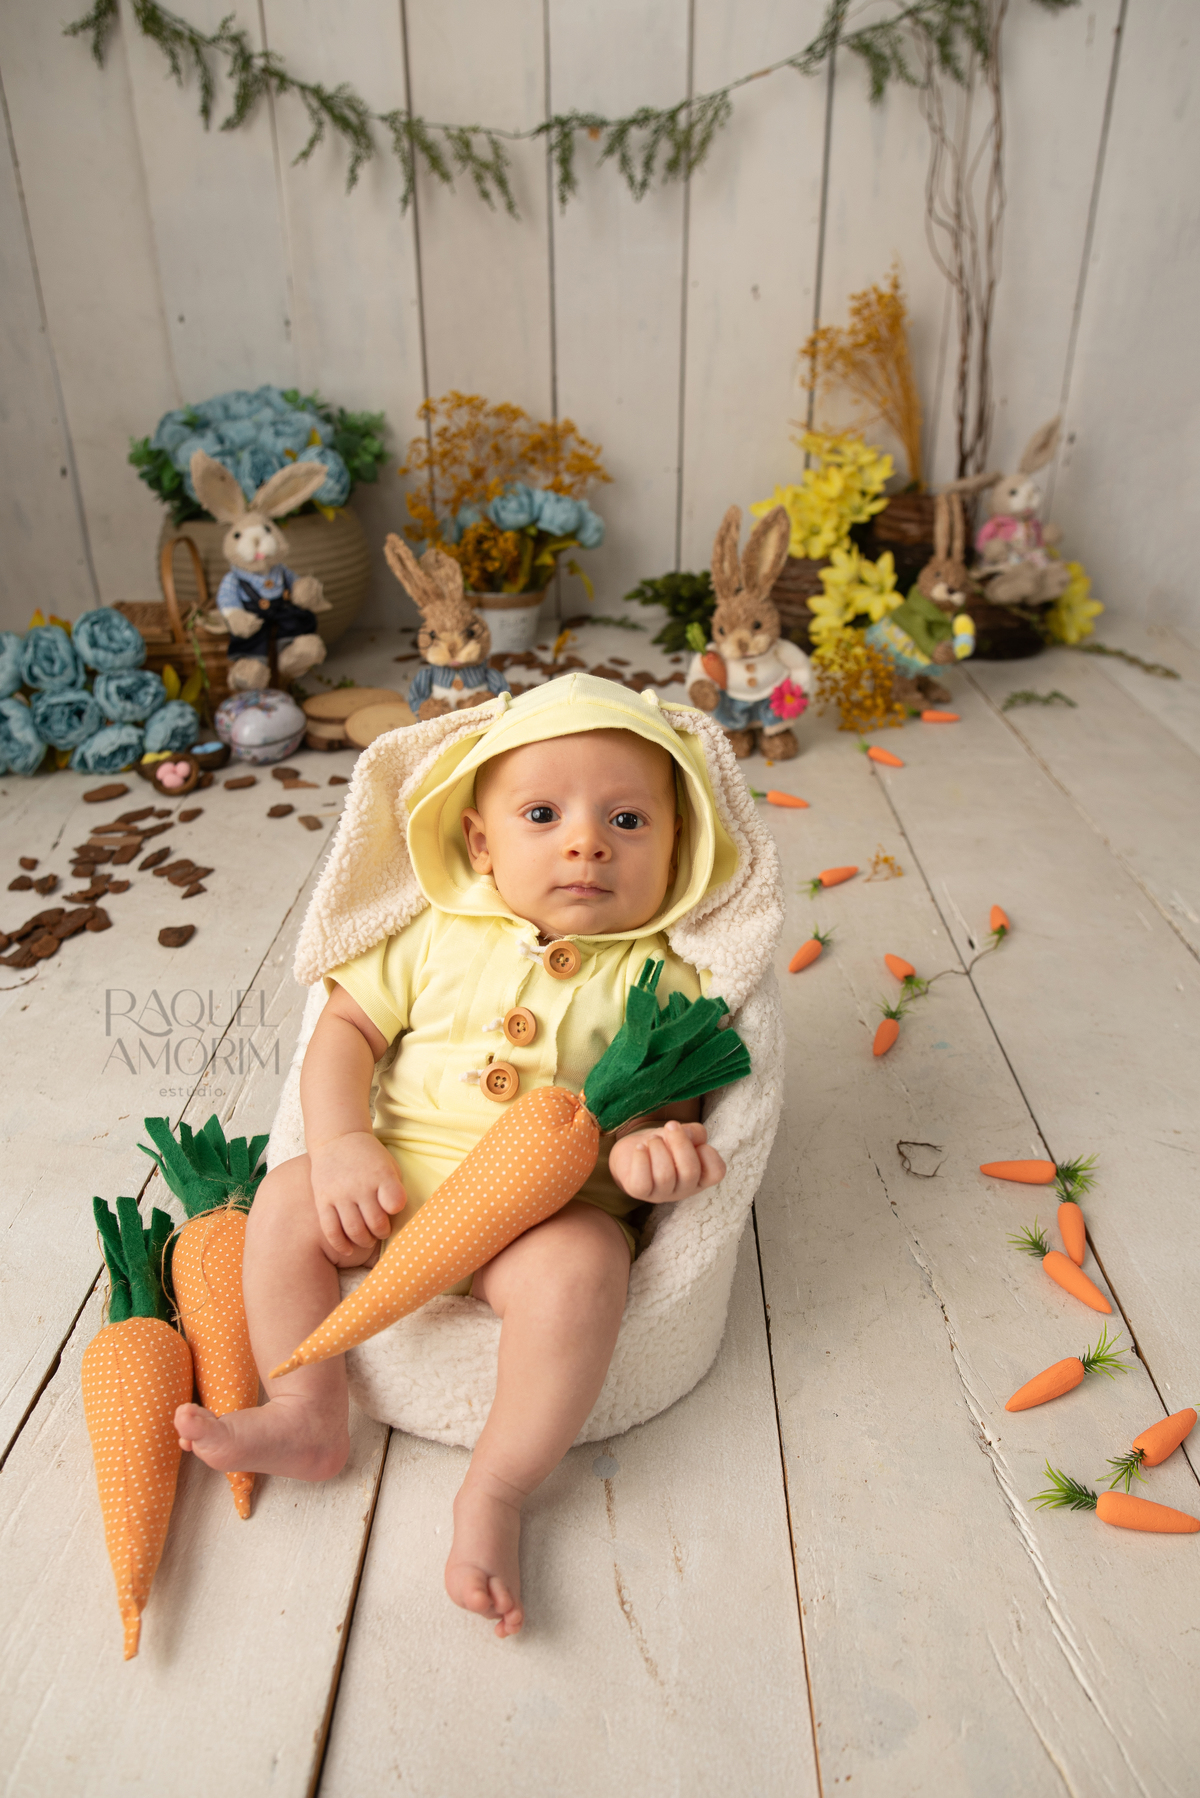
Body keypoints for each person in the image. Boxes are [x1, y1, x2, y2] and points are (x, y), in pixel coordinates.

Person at [176, 675, 739, 1638]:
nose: (587, 842)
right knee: (284, 1198)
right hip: (392, 1191)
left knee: (584, 1266)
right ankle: (306, 1410)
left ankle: (499, 1488)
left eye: (628, 820)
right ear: (481, 843)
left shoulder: (665, 973)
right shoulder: (435, 931)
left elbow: (662, 1104)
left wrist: (655, 1154)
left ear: (678, 846)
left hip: (545, 1222)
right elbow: (343, 1032)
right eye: (542, 815)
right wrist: (341, 1145)